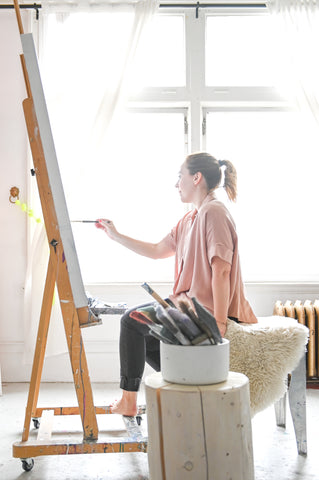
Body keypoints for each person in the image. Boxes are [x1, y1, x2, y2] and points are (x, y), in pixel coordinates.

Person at [95, 152, 257, 416]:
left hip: (202, 309)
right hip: (188, 305)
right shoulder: (190, 219)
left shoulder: (214, 212)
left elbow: (222, 271)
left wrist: (219, 323)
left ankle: (128, 401)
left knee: (131, 321)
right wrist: (116, 235)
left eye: (179, 176)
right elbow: (158, 249)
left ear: (196, 178)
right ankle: (187, 384)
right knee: (145, 336)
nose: (176, 184)